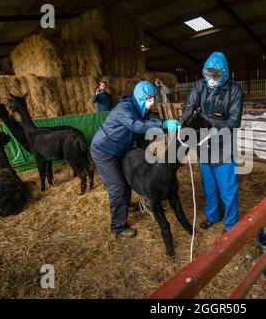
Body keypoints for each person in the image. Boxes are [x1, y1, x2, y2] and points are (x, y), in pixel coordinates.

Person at [90, 81, 181, 237]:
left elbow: (142, 137)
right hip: (104, 150)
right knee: (118, 186)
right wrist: (164, 123)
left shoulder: (142, 111)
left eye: (154, 97)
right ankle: (118, 226)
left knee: (127, 179)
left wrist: (149, 159)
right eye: (149, 98)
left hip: (120, 149)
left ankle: (125, 204)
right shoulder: (124, 109)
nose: (152, 101)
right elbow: (136, 126)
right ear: (140, 97)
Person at [182, 51, 244, 232]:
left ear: (224, 73)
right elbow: (188, 107)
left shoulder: (234, 91)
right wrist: (191, 121)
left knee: (228, 190)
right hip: (204, 146)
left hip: (224, 147)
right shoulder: (199, 86)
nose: (212, 78)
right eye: (209, 73)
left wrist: (212, 125)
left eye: (216, 74)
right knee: (209, 187)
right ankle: (212, 215)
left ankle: (231, 224)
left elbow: (235, 120)